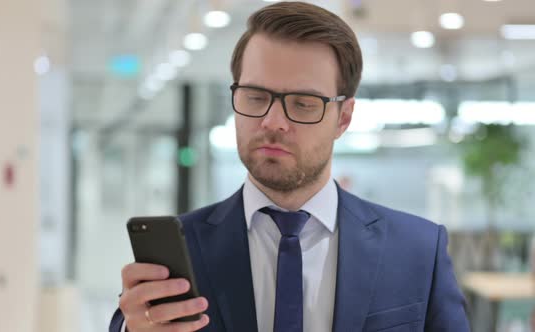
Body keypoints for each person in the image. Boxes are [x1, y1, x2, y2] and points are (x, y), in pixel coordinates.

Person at [110, 2, 470, 331]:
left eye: (302, 103)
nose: (273, 121)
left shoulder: (418, 250)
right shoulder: (183, 249)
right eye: (256, 97)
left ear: (343, 118)